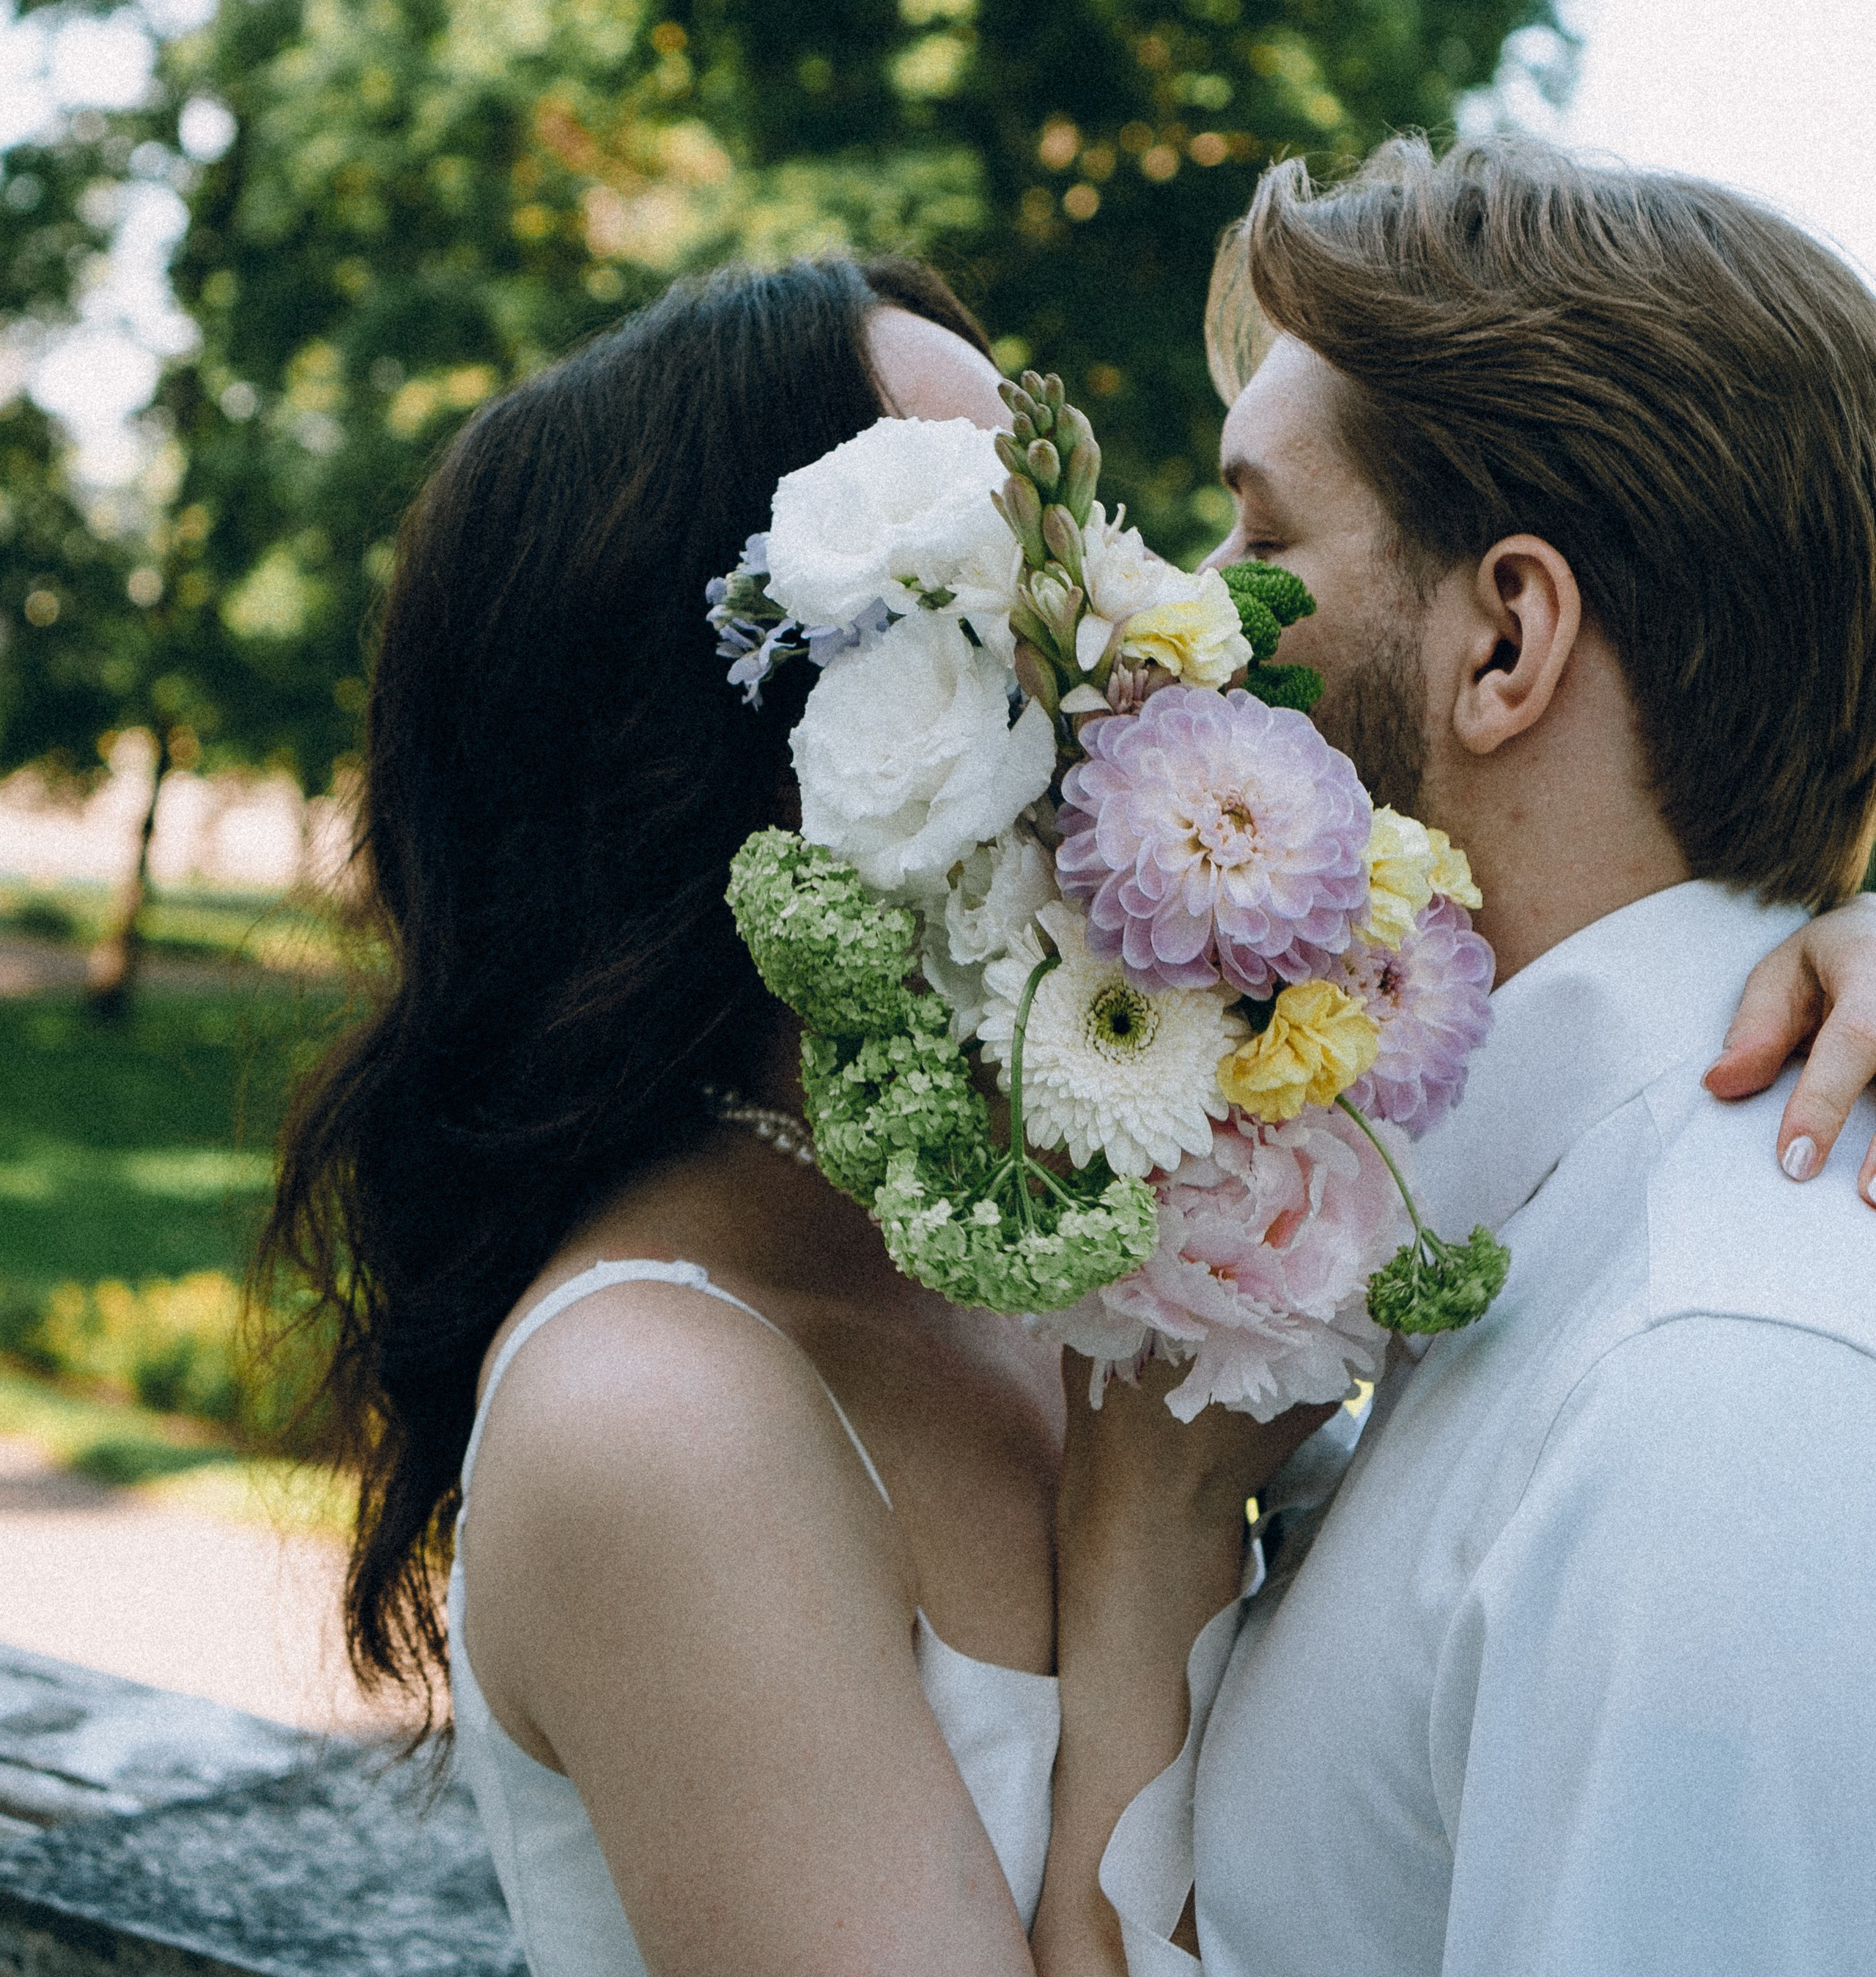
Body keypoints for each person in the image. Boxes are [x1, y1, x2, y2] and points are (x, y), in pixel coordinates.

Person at [259, 237, 1874, 1977]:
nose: (1144, 630)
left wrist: (1806, 932)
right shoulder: (661, 1411)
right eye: (1017, 567)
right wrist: (1144, 1560)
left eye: (1100, 543)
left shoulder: (1120, 1226)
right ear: (770, 725)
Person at [1057, 138, 1876, 1976]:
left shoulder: (1706, 1398)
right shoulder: (1519, 1250)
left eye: (1260, 539)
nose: (1170, 635)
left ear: (1503, 638)